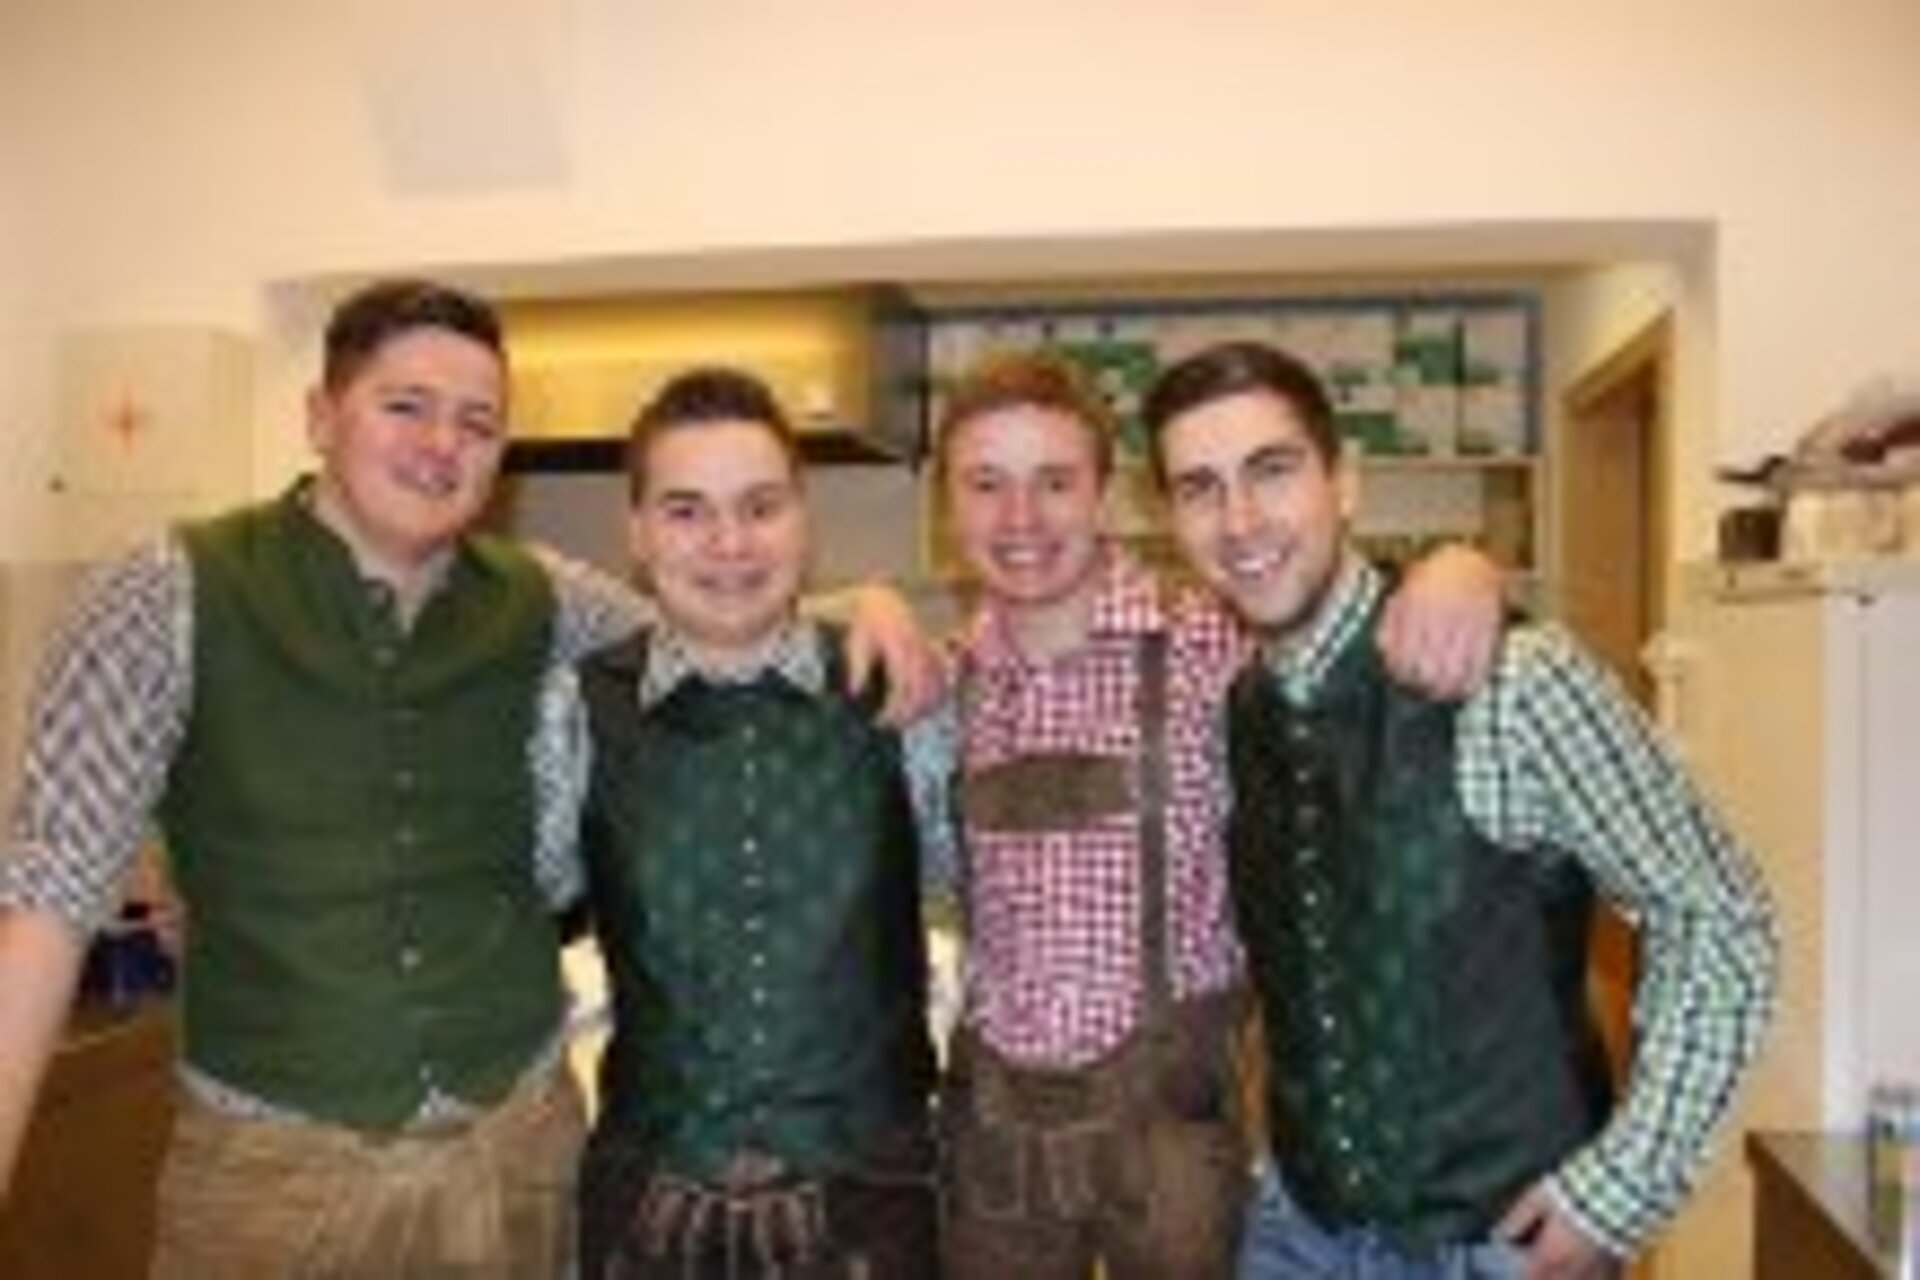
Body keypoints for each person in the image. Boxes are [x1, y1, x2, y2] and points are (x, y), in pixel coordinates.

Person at [0, 279, 935, 1278]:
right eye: (406, 405)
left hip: (517, 1156)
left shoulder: (543, 599)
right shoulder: (167, 595)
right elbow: (48, 899)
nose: (442, 444)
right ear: (320, 415)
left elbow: (718, 622)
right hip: (273, 1173)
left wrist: (873, 605)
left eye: (477, 422)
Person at [1138, 339, 1780, 1280]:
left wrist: (1621, 1190)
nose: (1238, 520)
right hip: (1299, 1230)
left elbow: (1721, 917)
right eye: (1200, 488)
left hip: (1498, 1244)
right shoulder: (1237, 709)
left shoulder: (1516, 679)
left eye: (1272, 471)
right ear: (1172, 518)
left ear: (1345, 483)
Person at [930, 349, 1505, 1280]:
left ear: (1107, 494)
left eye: (1055, 482)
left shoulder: (1213, 638)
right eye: (985, 484)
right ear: (946, 508)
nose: (1020, 518)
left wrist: (1459, 566)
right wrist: (869, 603)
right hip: (997, 1140)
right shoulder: (937, 683)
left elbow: (1339, 613)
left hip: (1174, 1126)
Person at [567, 366, 942, 1279]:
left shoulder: (900, 691)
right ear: (637, 532)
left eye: (761, 507)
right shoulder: (573, 709)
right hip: (651, 1204)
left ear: (803, 520)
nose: (729, 542)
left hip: (873, 1202)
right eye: (686, 511)